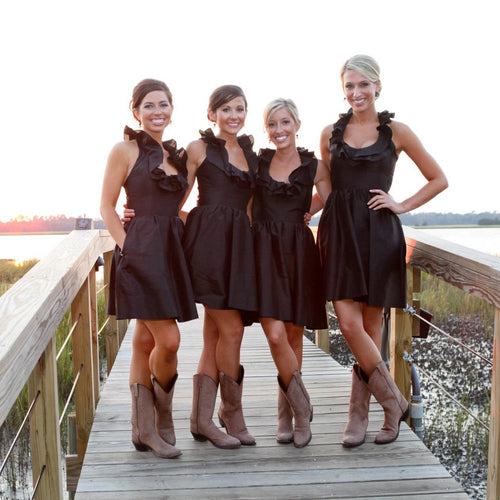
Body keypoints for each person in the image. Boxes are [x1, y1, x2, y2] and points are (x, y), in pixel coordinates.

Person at [315, 55, 448, 447]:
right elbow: (322, 187)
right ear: (343, 90)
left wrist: (402, 205)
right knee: (350, 324)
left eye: (363, 85)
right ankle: (394, 403)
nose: (356, 92)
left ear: (377, 86)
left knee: (371, 329)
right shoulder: (329, 134)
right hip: (339, 235)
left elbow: (438, 179)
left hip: (379, 235)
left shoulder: (397, 132)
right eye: (349, 86)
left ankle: (362, 418)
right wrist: (279, 216)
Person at [100, 78, 198, 459]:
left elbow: (176, 208)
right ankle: (160, 421)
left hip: (172, 252)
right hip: (140, 252)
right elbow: (107, 207)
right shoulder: (123, 150)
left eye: (164, 105)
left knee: (145, 342)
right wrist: (130, 248)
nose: (158, 112)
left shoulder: (178, 156)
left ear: (172, 109)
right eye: (150, 106)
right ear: (135, 110)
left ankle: (143, 431)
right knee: (169, 341)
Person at [183, 85, 259, 448]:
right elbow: (174, 196)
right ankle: (232, 415)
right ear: (211, 114)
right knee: (232, 331)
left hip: (239, 250)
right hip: (209, 247)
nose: (234, 116)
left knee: (215, 335)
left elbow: (250, 209)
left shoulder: (251, 154)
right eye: (226, 109)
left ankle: (201, 421)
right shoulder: (199, 149)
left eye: (240, 109)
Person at [252, 98, 330, 447]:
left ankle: (286, 414)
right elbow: (247, 205)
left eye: (285, 123)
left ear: (297, 124)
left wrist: (307, 211)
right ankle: (302, 407)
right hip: (264, 252)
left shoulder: (314, 165)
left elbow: (331, 199)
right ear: (266, 129)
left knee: (295, 335)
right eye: (272, 124)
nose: (279, 130)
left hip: (299, 251)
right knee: (274, 333)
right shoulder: (258, 162)